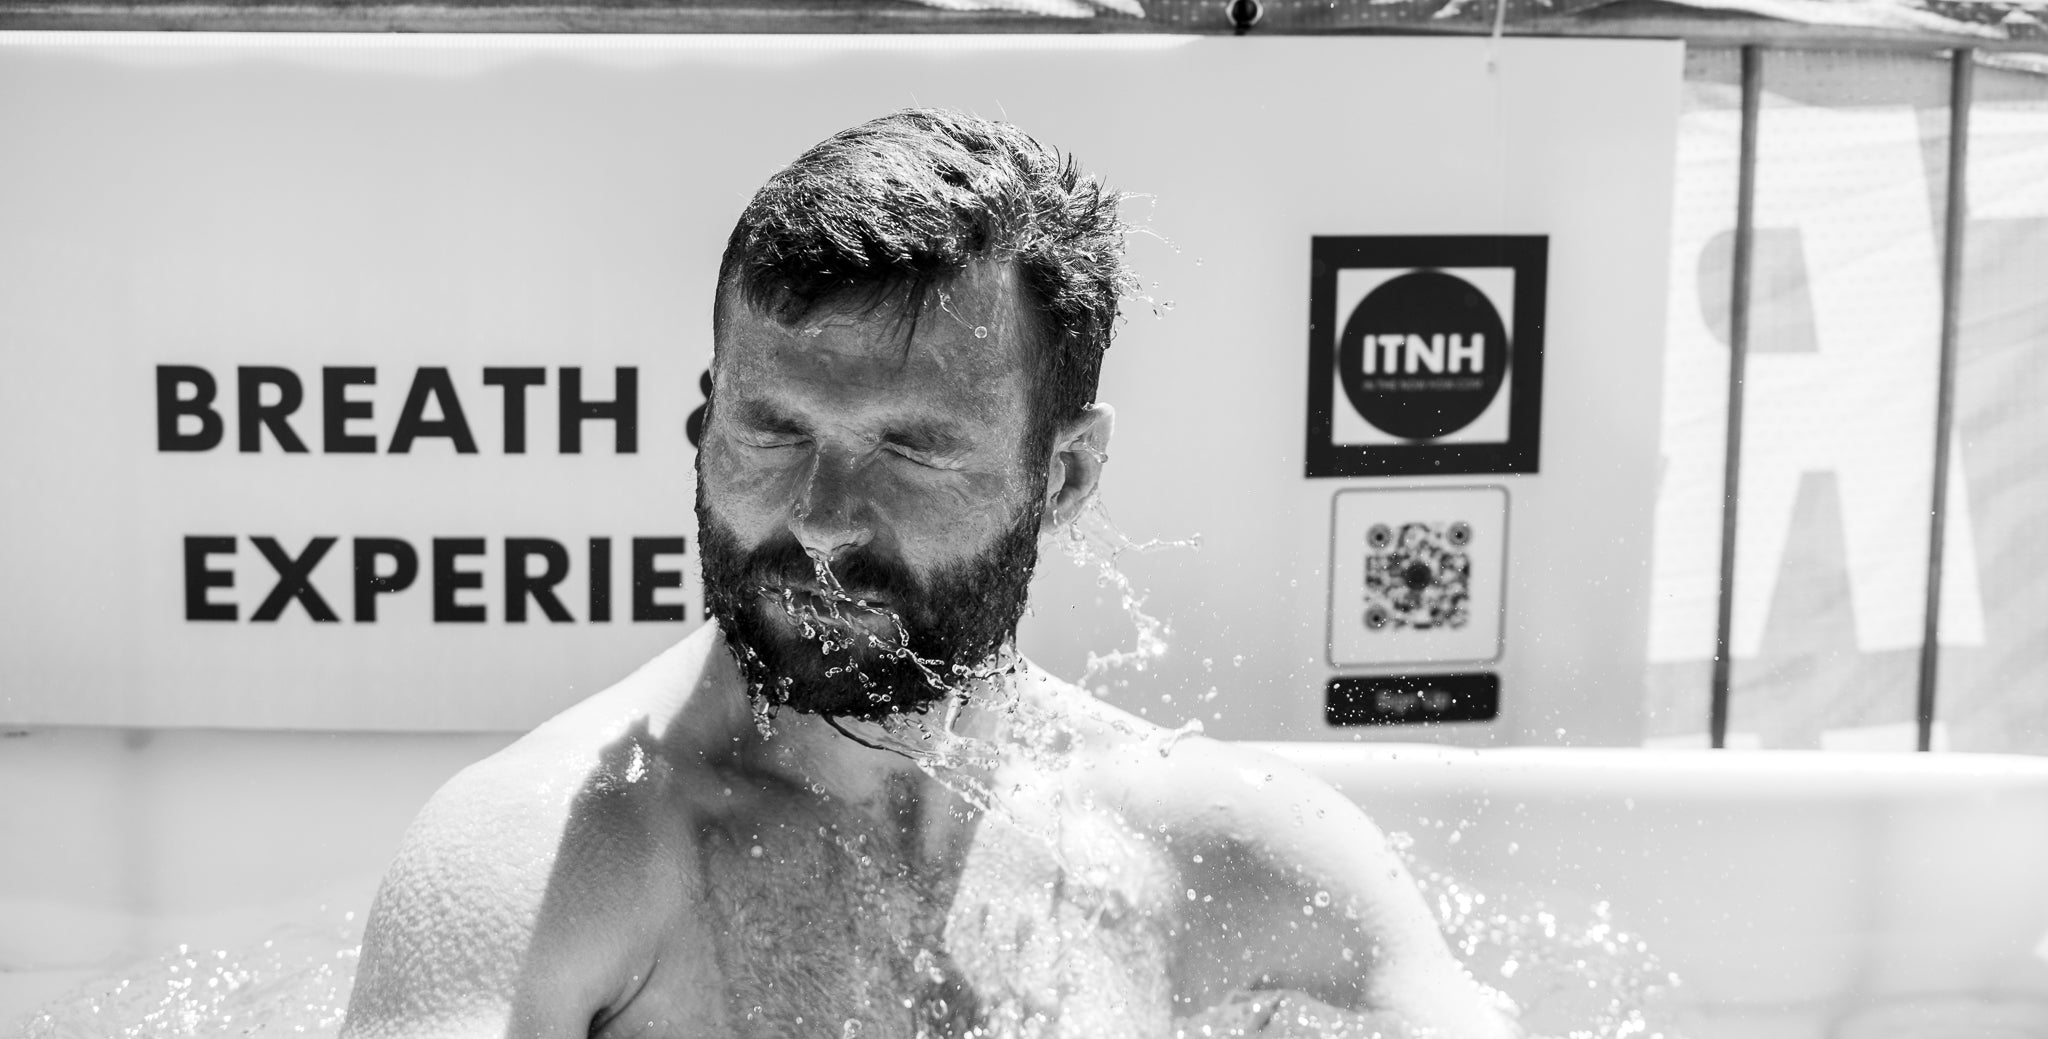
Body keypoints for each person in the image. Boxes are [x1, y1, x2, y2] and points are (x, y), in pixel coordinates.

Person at [340, 109, 1517, 1039]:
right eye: (774, 432)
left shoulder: (1222, 854)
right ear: (702, 427)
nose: (821, 522)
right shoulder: (542, 861)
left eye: (909, 449)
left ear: (1064, 474)